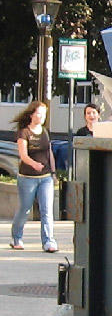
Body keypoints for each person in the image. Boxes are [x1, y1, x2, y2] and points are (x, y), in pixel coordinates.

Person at [10, 99, 57, 253]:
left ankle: (49, 241)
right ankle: (17, 237)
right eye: (39, 113)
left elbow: (49, 152)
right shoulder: (24, 132)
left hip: (45, 178)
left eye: (44, 114)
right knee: (25, 209)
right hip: (27, 178)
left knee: (46, 210)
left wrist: (53, 173)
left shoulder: (44, 131)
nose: (42, 117)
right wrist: (34, 164)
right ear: (31, 114)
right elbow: (23, 155)